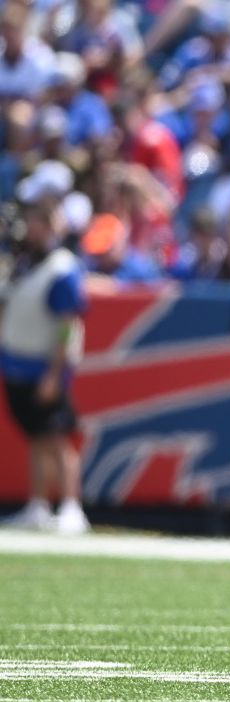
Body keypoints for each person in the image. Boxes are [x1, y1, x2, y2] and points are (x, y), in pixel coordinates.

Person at [0, 195, 89, 534]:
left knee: (56, 438)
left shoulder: (62, 267)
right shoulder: (23, 262)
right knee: (36, 437)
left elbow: (67, 322)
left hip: (44, 366)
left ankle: (70, 506)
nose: (31, 229)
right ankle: (38, 505)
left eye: (38, 222)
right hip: (18, 363)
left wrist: (54, 372)